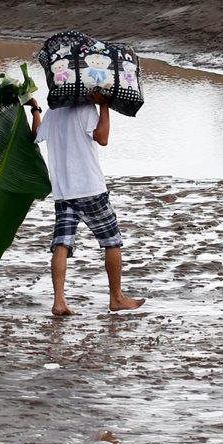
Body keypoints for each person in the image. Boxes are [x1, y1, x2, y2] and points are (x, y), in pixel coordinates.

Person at [28, 93, 145, 316]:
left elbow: (36, 134)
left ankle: (59, 301)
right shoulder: (86, 109)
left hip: (63, 192)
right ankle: (116, 298)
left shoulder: (54, 112)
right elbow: (102, 138)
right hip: (90, 188)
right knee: (112, 241)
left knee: (61, 244)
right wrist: (104, 106)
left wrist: (35, 109)